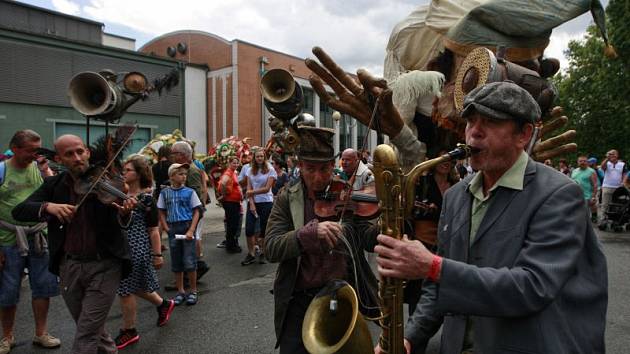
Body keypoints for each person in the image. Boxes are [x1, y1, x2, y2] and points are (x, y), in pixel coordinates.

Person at [374, 82, 607, 354]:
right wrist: (409, 337)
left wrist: (433, 266)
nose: (474, 133)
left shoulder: (559, 194)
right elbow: (437, 288)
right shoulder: (456, 196)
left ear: (524, 135)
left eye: (491, 122)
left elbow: (531, 287)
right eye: (471, 121)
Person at [12, 134, 137, 354]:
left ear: (88, 152)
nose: (77, 158)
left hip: (105, 265)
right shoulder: (54, 184)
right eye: (69, 154)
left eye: (80, 151)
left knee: (86, 333)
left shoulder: (106, 182)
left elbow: (121, 220)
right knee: (89, 326)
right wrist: (48, 207)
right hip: (69, 267)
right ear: (59, 159)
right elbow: (19, 211)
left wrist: (126, 214)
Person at [265, 126, 378, 354]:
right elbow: (271, 247)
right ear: (300, 166)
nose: (318, 177)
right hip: (300, 301)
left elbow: (367, 238)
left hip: (344, 296)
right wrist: (308, 234)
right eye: (311, 169)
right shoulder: (287, 198)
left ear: (333, 165)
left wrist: (387, 226)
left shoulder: (346, 193)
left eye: (325, 169)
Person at [0, 130, 59, 354]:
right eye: (31, 151)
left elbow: (53, 193)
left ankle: (41, 333)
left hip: (38, 237)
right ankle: (6, 337)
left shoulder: (40, 169)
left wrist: (45, 169)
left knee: (43, 288)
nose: (36, 155)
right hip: (7, 239)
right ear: (15, 149)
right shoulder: (2, 170)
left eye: (38, 150)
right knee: (8, 291)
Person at [114, 156, 175, 349]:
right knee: (134, 286)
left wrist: (157, 255)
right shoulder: (119, 194)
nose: (124, 173)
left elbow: (153, 230)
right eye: (123, 169)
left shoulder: (147, 199)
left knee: (125, 289)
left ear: (139, 174)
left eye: (128, 170)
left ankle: (129, 330)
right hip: (120, 247)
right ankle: (163, 304)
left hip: (136, 248)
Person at [406, 149, 459, 316]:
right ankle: (414, 334)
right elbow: (411, 210)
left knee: (445, 289)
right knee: (419, 290)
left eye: (449, 159)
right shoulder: (421, 182)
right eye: (442, 157)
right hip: (424, 241)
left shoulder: (457, 184)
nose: (446, 162)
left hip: (447, 244)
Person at [157, 163, 202, 306]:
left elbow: (197, 211)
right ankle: (180, 290)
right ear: (171, 176)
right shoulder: (164, 193)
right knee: (176, 261)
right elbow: (161, 211)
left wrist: (191, 230)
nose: (184, 176)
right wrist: (166, 227)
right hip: (173, 228)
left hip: (187, 225)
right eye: (180, 174)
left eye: (185, 174)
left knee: (189, 260)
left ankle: (193, 290)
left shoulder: (190, 192)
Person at [170, 142, 210, 282]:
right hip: (185, 214)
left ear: (182, 155)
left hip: (188, 215)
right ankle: (195, 268)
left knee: (187, 245)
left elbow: (195, 196)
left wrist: (192, 217)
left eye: (174, 153)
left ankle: (194, 271)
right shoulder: (186, 169)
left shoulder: (191, 171)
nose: (172, 156)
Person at [242, 149, 276, 265]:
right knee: (249, 229)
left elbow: (267, 189)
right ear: (254, 158)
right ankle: (251, 253)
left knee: (263, 229)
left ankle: (262, 252)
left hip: (266, 201)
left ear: (264, 157)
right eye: (257, 156)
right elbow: (248, 188)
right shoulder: (250, 170)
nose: (260, 158)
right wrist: (251, 203)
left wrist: (251, 193)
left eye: (261, 156)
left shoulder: (270, 170)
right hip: (254, 202)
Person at [218, 156, 243, 253]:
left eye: (237, 163)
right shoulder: (228, 172)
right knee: (232, 225)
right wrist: (224, 195)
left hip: (233, 202)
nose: (236, 165)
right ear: (229, 163)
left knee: (233, 224)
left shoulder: (233, 172)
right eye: (234, 163)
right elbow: (223, 183)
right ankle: (231, 246)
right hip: (230, 202)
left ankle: (231, 244)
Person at [599, 149, 627, 225]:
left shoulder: (622, 164)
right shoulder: (607, 163)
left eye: (614, 154)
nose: (613, 155)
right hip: (607, 186)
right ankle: (603, 219)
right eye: (611, 154)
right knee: (605, 204)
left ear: (617, 155)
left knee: (616, 204)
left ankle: (615, 220)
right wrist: (607, 158)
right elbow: (602, 167)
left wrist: (623, 182)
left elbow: (624, 174)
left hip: (618, 187)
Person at [571, 155, 598, 220]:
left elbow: (595, 185)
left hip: (587, 195)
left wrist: (593, 196)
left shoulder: (591, 171)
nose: (582, 162)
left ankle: (593, 218)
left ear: (587, 162)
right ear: (577, 162)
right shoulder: (574, 171)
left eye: (584, 161)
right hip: (576, 195)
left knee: (585, 213)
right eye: (580, 161)